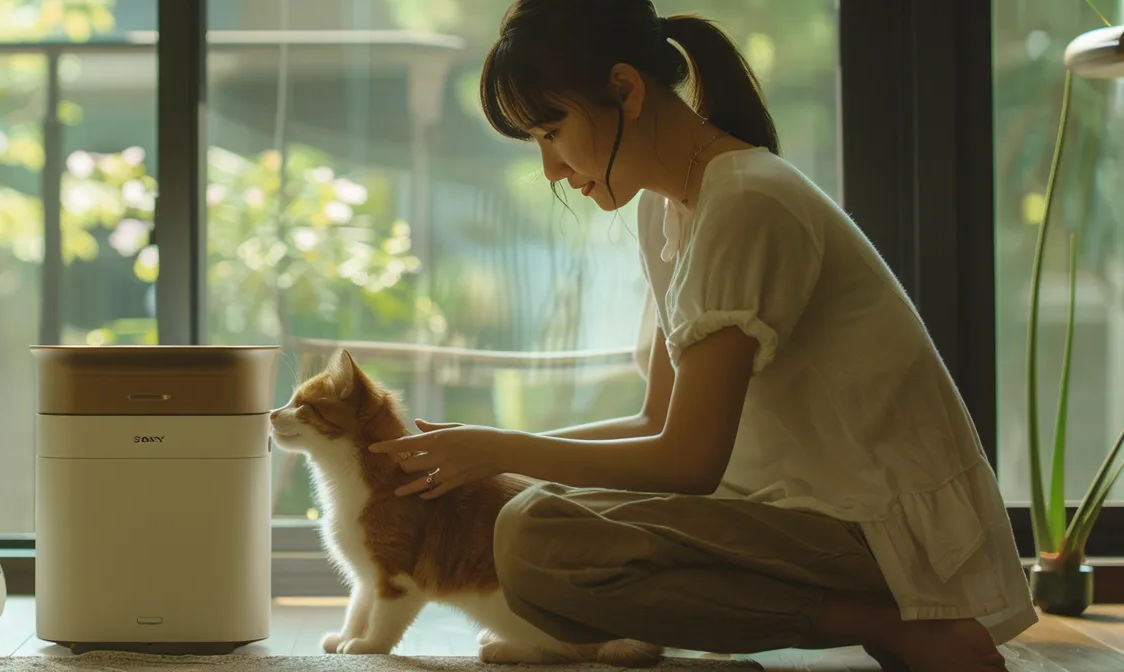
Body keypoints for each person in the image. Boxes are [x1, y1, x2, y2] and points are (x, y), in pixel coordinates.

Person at [365, 1, 1034, 670]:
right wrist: (483, 461)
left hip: (873, 531)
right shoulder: (668, 208)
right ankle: (613, 630)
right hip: (777, 511)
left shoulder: (747, 202)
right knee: (533, 509)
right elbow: (656, 419)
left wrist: (499, 451)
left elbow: (688, 463)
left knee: (534, 539)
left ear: (625, 89)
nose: (550, 169)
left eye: (551, 130)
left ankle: (903, 624)